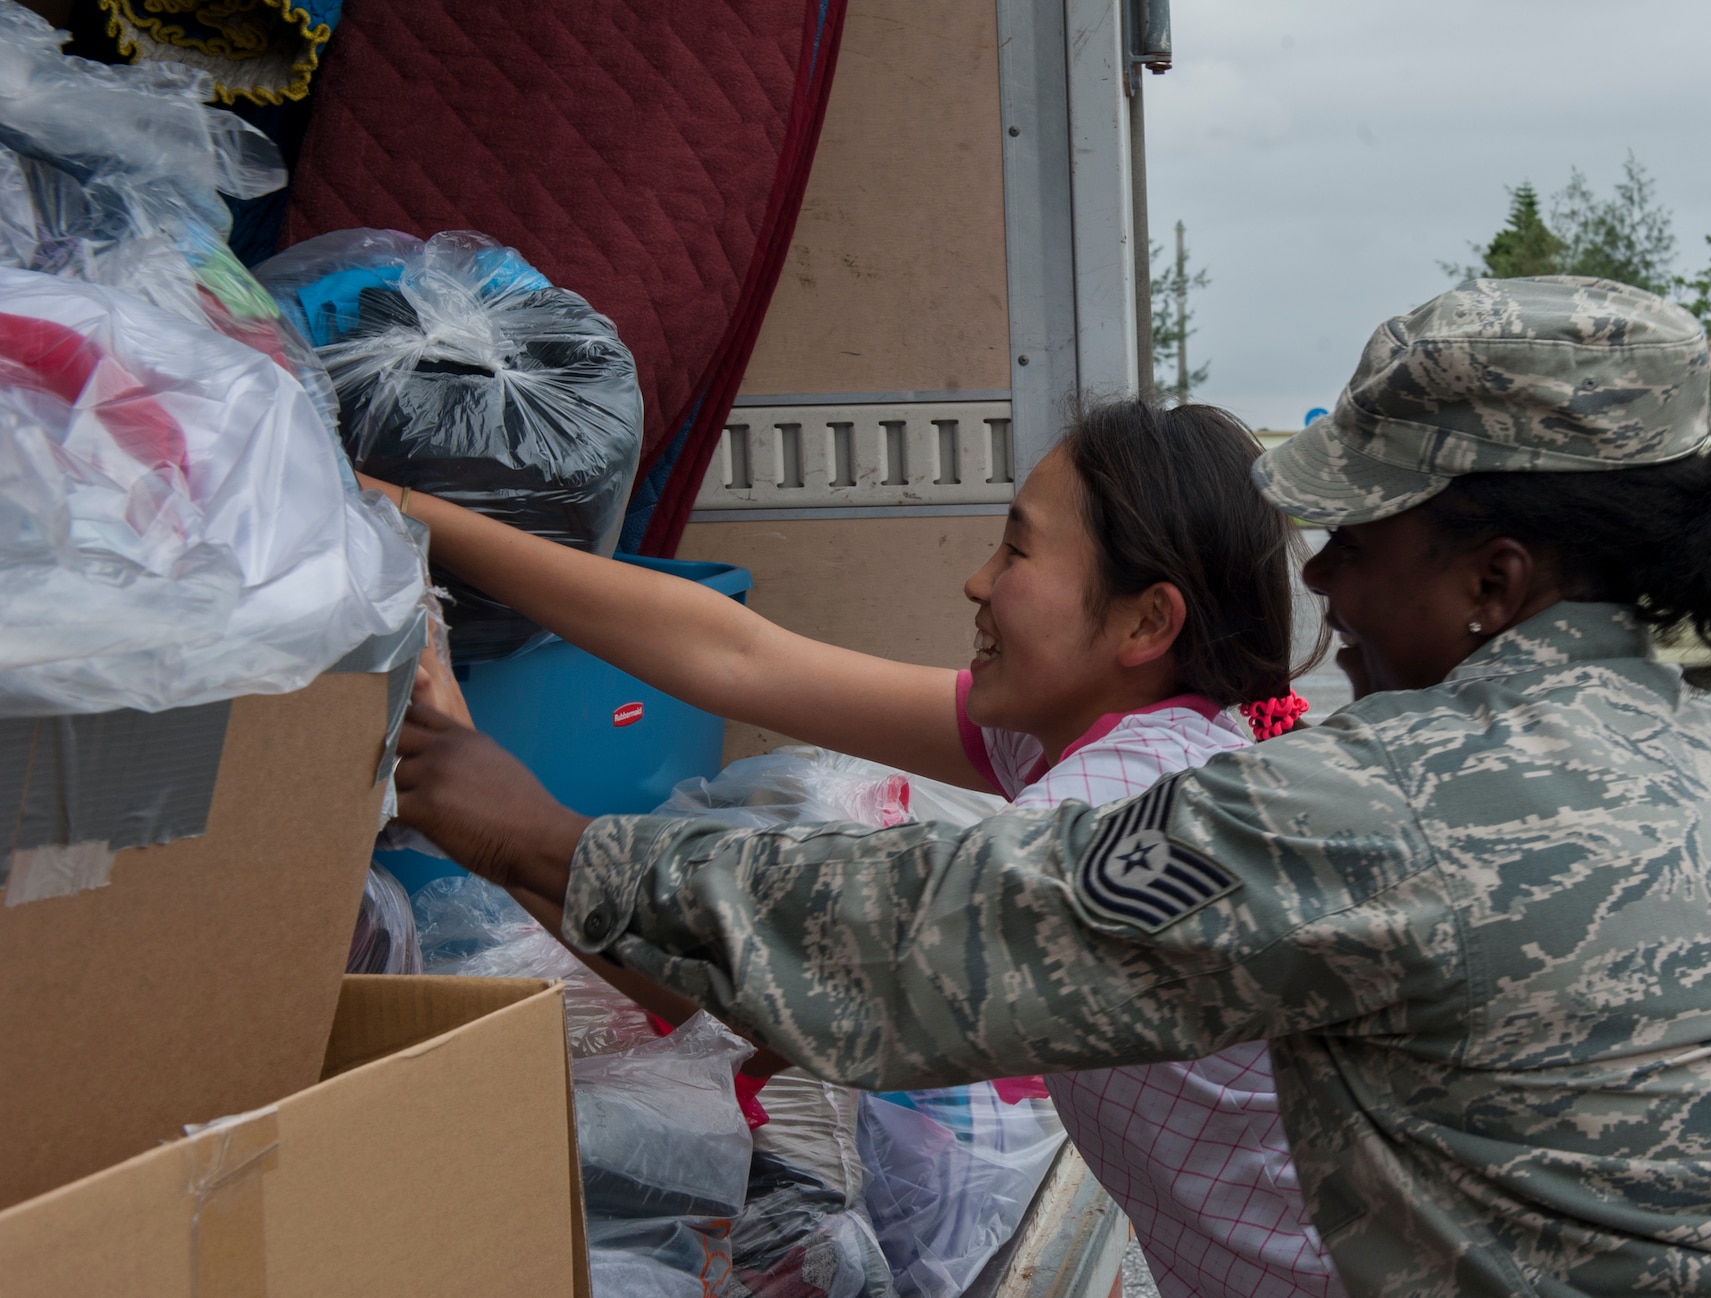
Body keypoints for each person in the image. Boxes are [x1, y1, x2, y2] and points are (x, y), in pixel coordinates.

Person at [393, 276, 1711, 1296]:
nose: (1330, 581)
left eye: (1360, 537)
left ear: (1494, 579)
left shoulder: (1366, 806)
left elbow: (918, 944)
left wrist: (519, 821)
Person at [372, 401, 1346, 1297]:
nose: (977, 579)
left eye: (1015, 550)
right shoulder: (1150, 736)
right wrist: (413, 515)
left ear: (1145, 620)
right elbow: (740, 657)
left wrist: (514, 825)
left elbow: (747, 1000)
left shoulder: (1099, 825)